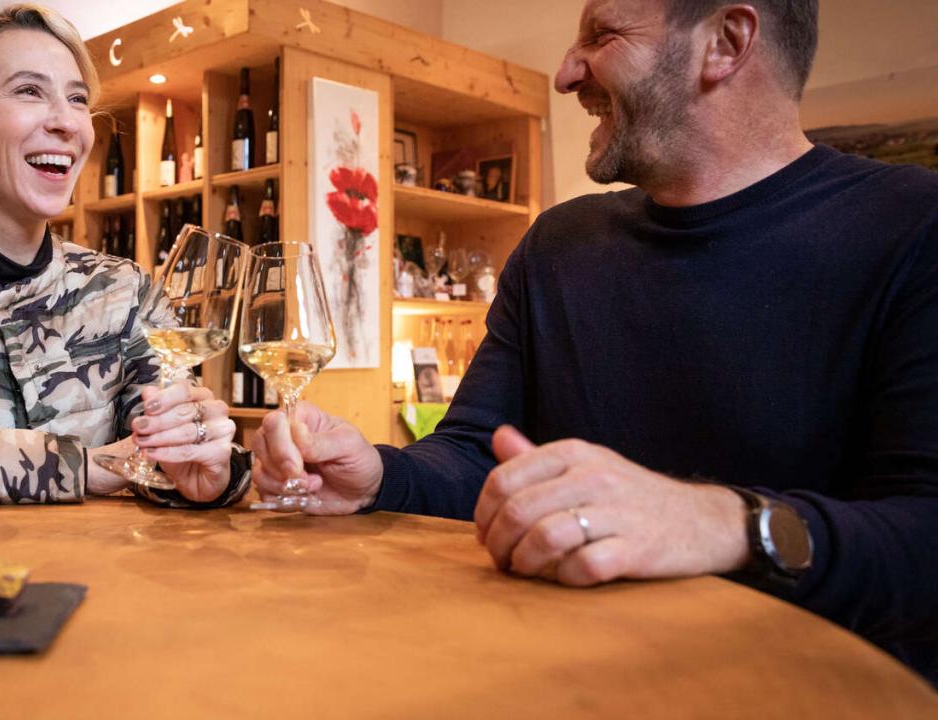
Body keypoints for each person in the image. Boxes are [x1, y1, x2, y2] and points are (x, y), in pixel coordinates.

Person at [252, 0, 938, 681]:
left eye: (602, 35)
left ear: (726, 42)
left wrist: (716, 524)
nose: (564, 73)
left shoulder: (914, 227)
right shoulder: (557, 245)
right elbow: (474, 454)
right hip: (562, 677)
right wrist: (380, 476)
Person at [0, 4, 248, 509]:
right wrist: (84, 467)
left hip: (105, 582)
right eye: (29, 90)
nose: (65, 121)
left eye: (77, 99)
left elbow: (165, 443)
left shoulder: (124, 290)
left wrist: (212, 470)